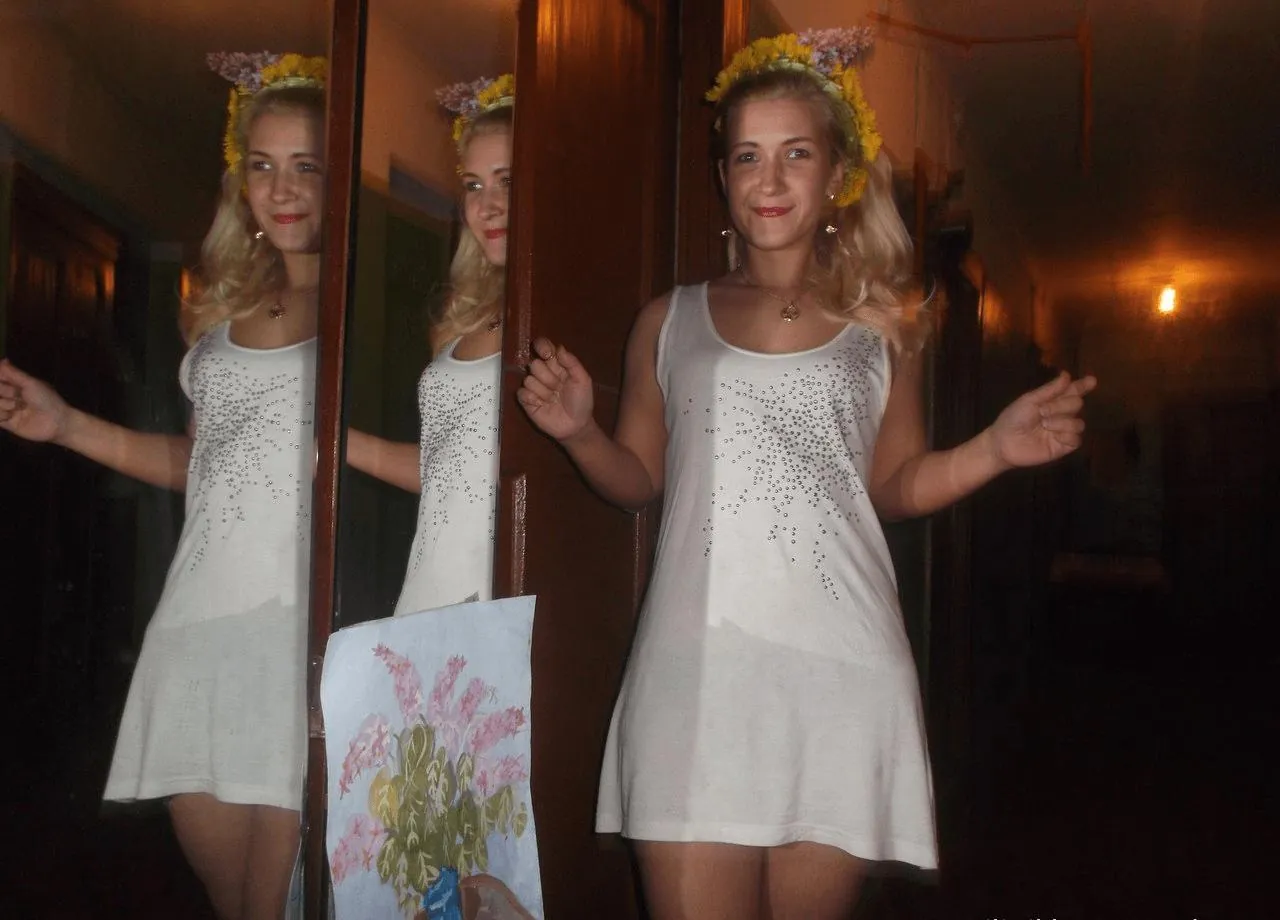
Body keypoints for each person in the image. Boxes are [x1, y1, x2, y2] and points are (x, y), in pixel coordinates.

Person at [515, 29, 1096, 920]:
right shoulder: (667, 321)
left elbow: (894, 485)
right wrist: (579, 431)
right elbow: (637, 479)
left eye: (796, 153)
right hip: (693, 672)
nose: (770, 178)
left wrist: (993, 449)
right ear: (725, 178)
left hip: (841, 672)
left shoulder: (884, 326)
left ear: (836, 175)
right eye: (748, 156)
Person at [0, 51, 327, 920]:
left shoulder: (356, 311)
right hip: (194, 634)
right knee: (229, 902)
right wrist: (67, 424)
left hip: (291, 637)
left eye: (306, 166)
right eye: (263, 165)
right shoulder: (221, 312)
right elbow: (200, 466)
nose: (283, 189)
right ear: (239, 181)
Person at [347, 74, 514, 616]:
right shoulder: (458, 320)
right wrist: (331, 438)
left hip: (511, 584)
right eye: (473, 186)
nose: (488, 206)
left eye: (508, 181)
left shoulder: (574, 313)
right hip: (432, 581)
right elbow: (446, 470)